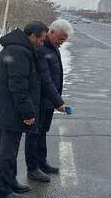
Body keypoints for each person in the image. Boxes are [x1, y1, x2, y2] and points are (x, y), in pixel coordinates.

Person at [0, 21, 48, 198]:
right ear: (32, 36)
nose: (41, 43)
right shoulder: (19, 51)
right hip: (9, 111)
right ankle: (3, 192)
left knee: (9, 152)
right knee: (7, 154)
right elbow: (18, 86)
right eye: (40, 40)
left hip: (7, 110)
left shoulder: (19, 48)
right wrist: (28, 113)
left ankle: (10, 182)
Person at [25, 19, 74, 182]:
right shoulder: (40, 48)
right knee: (34, 133)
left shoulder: (53, 48)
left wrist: (55, 100)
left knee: (42, 132)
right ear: (51, 33)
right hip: (38, 100)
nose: (62, 42)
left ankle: (41, 163)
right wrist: (58, 102)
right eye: (60, 39)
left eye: (64, 40)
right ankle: (33, 169)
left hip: (48, 101)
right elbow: (45, 79)